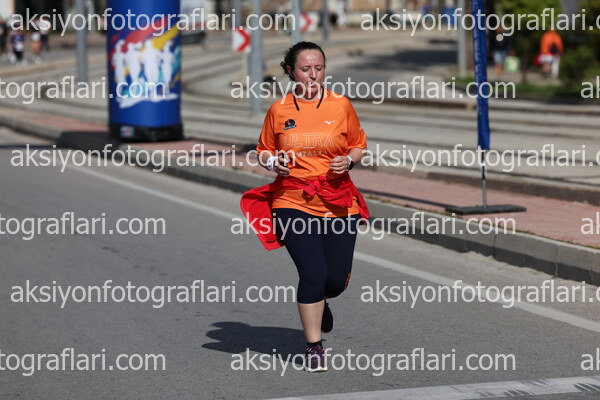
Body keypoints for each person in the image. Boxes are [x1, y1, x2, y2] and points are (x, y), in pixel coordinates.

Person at [240, 42, 369, 373]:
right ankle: (314, 346)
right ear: (290, 71)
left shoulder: (341, 105)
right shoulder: (279, 110)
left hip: (338, 201)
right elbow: (264, 150)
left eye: (319, 68)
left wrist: (349, 161)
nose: (313, 75)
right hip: (292, 200)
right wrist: (274, 163)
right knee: (312, 274)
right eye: (305, 69)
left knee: (335, 280)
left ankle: (321, 301)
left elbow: (358, 145)